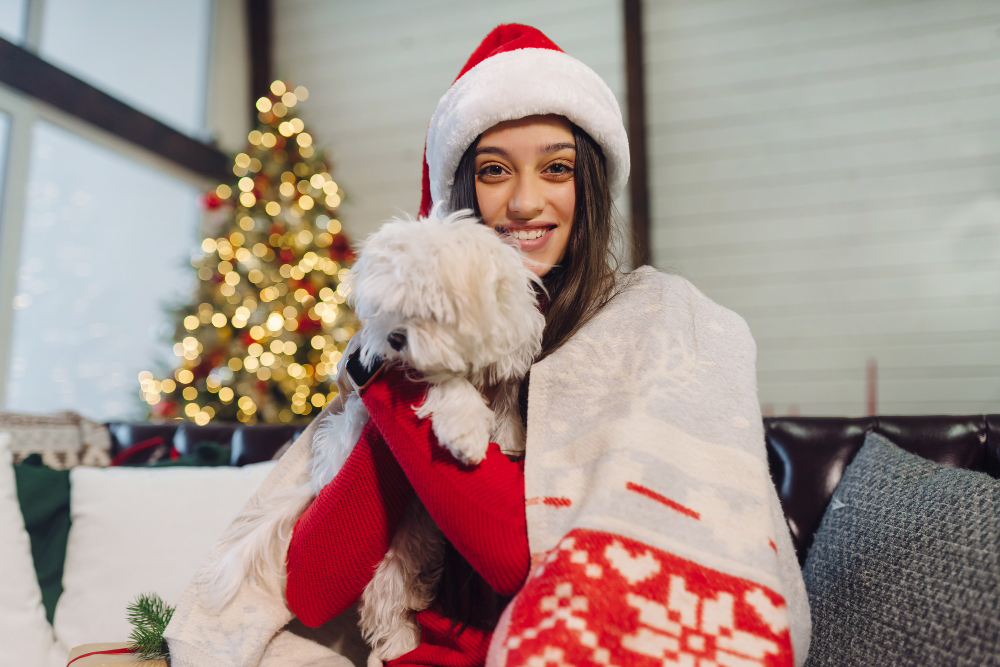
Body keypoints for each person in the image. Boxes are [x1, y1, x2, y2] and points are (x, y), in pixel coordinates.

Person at [283, 23, 810, 667]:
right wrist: (405, 359)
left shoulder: (645, 323)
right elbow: (313, 591)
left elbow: (520, 557)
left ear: (588, 186)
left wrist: (411, 376)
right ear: (458, 197)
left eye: (556, 168)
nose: (525, 202)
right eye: (494, 170)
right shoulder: (406, 352)